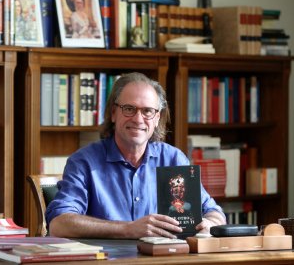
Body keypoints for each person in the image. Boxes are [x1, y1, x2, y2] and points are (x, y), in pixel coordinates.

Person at [46, 72, 226, 239]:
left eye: (147, 111)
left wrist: (209, 223)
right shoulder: (83, 162)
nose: (138, 119)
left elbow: (214, 212)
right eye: (129, 109)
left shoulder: (174, 160)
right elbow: (59, 224)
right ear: (113, 113)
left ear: (157, 118)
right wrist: (127, 229)